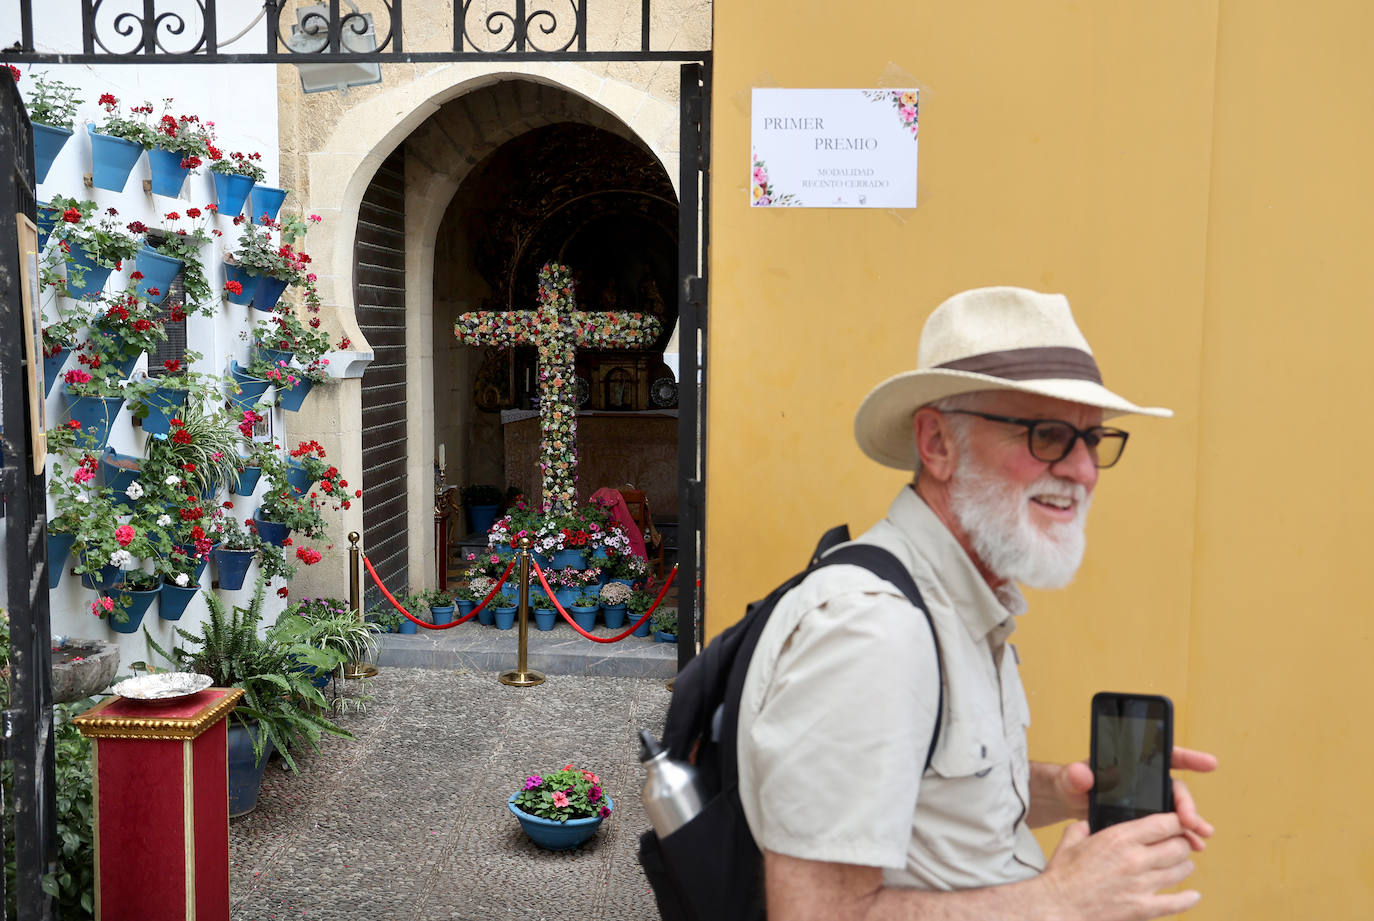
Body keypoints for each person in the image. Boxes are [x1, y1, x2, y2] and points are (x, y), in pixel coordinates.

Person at [737, 286, 1218, 920]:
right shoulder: (874, 630)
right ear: (937, 443)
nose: (1083, 470)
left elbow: (934, 808)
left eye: (1093, 439)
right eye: (1048, 435)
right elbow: (814, 914)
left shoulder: (954, 603)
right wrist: (1064, 900)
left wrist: (1062, 792)